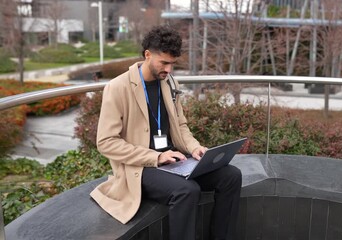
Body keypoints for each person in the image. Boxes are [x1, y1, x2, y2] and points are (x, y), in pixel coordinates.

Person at [90, 25, 242, 240]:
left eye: (172, 64)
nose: (169, 69)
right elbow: (106, 142)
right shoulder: (118, 87)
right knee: (187, 191)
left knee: (231, 176)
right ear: (147, 55)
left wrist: (195, 148)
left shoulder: (169, 82)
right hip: (141, 166)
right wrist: (157, 157)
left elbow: (180, 125)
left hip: (174, 159)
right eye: (164, 63)